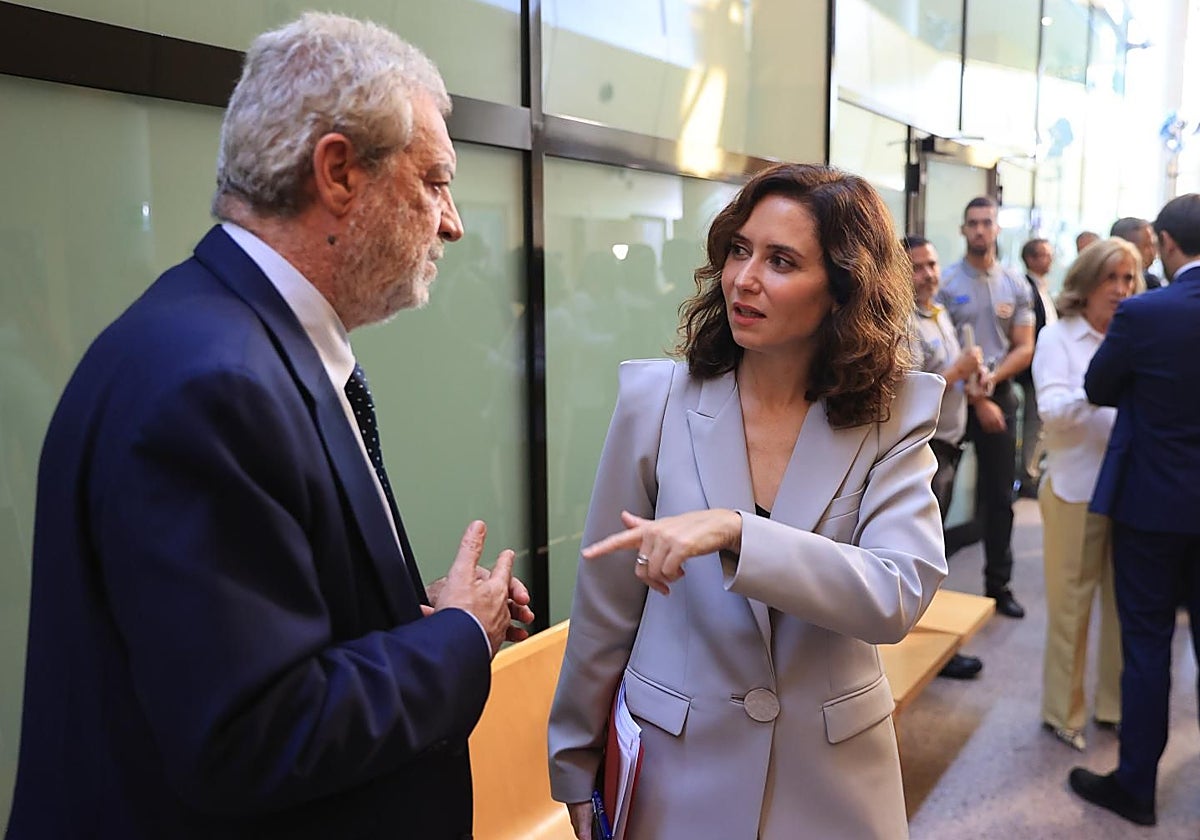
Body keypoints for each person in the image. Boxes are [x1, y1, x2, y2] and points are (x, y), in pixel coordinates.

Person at [6, 14, 533, 840]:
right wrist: (460, 639)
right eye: (435, 181)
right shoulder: (213, 382)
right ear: (338, 172)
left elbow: (267, 639)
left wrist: (419, 621)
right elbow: (250, 734)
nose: (453, 222)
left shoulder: (224, 340)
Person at [547, 163, 947, 839]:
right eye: (739, 249)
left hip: (832, 781)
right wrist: (576, 760)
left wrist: (738, 531)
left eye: (781, 260)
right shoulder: (657, 402)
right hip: (677, 767)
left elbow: (896, 592)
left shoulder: (893, 415)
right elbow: (604, 607)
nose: (744, 278)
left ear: (842, 290)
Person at [1070, 193, 1200, 826]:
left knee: (1146, 646)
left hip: (1152, 502)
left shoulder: (1146, 313)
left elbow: (1097, 387)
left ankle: (1136, 787)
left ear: (1166, 246)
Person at [1032, 238, 1141, 753]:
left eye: (1129, 279)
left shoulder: (1135, 333)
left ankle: (1113, 708)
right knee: (1071, 609)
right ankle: (1062, 712)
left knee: (1123, 608)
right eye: (1111, 279)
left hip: (1130, 491)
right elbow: (1052, 409)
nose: (1121, 290)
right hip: (1075, 490)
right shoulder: (1058, 338)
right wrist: (1098, 390)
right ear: (1088, 283)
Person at [938, 196, 1035, 618]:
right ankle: (925, 596)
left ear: (997, 230)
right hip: (954, 400)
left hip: (998, 396)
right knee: (933, 498)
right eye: (972, 222)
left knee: (999, 497)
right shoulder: (944, 283)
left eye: (987, 222)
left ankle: (999, 585)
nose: (980, 229)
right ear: (963, 230)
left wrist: (992, 382)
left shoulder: (1015, 283)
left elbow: (1024, 346)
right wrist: (976, 397)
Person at [904, 235, 987, 680]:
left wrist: (974, 377)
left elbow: (952, 376)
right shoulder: (904, 323)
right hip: (925, 447)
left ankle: (932, 641)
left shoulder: (938, 313)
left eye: (932, 264)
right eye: (916, 267)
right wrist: (958, 371)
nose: (928, 274)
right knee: (921, 550)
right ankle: (920, 644)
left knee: (935, 548)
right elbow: (911, 392)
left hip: (949, 441)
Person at [1015, 237, 1058, 498]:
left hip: (1044, 364)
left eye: (1049, 254)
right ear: (1030, 258)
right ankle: (1028, 475)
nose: (1048, 260)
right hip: (1032, 367)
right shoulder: (1026, 287)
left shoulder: (1042, 287)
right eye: (1043, 254)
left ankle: (1032, 469)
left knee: (1039, 421)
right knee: (1033, 419)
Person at [1110, 216, 1163, 289]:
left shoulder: (1151, 283)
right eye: (1147, 246)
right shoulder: (1150, 284)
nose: (1153, 252)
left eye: (1153, 245)